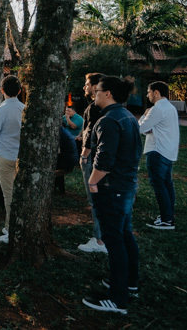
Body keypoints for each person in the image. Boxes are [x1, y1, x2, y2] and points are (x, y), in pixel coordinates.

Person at [82, 76, 142, 315]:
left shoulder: (108, 120)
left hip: (111, 188)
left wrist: (93, 182)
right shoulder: (128, 117)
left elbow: (104, 159)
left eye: (97, 91)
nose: (94, 94)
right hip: (127, 185)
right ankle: (130, 282)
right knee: (125, 235)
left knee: (114, 241)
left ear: (108, 94)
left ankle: (117, 299)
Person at [139, 81, 179, 230]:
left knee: (159, 185)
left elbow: (141, 128)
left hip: (157, 151)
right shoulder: (170, 107)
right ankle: (168, 215)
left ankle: (166, 220)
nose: (147, 95)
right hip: (168, 151)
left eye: (149, 92)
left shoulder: (157, 109)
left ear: (156, 92)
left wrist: (143, 117)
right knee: (167, 184)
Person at [0, 75, 24, 243]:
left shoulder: (1, 110)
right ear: (19, 91)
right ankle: (16, 226)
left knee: (9, 195)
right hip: (21, 156)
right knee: (19, 193)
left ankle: (11, 231)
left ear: (2, 90)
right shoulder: (24, 108)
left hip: (4, 155)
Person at [77, 72, 108, 254]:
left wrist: (83, 156)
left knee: (95, 198)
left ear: (96, 86)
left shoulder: (94, 108)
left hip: (92, 159)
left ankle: (99, 240)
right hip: (101, 159)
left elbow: (91, 136)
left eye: (87, 83)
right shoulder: (103, 108)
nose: (85, 87)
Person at [54, 127, 79, 193]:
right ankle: (61, 189)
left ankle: (55, 187)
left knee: (55, 168)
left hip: (68, 161)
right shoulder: (64, 131)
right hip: (72, 159)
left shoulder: (60, 133)